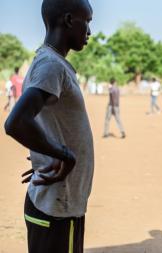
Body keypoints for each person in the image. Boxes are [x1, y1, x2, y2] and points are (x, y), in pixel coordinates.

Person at [4, 0, 94, 252]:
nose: (89, 31)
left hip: (61, 203)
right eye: (86, 22)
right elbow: (16, 122)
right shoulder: (51, 65)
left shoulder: (53, 64)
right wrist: (62, 154)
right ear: (67, 20)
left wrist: (46, 152)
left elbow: (46, 122)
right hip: (55, 209)